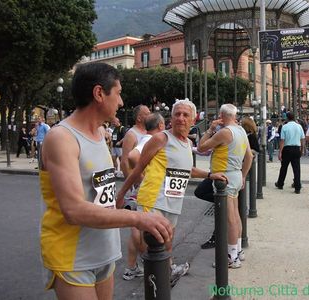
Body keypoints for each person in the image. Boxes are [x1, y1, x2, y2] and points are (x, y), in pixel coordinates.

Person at [39, 62, 172, 299]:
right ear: (99, 93)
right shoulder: (61, 138)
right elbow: (74, 210)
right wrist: (138, 217)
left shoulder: (101, 134)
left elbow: (102, 189)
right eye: (118, 93)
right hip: (73, 257)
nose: (121, 102)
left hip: (105, 253)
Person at [117, 99, 227, 279]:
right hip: (154, 197)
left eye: (185, 115)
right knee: (153, 242)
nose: (181, 118)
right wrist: (121, 194)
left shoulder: (185, 143)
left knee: (167, 243)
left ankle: (165, 274)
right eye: (177, 114)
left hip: (173, 200)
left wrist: (209, 175)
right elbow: (138, 166)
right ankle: (156, 279)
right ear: (171, 118)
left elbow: (187, 170)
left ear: (193, 120)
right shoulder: (161, 138)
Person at [198, 104, 253, 268]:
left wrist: (209, 129)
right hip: (236, 175)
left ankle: (231, 257)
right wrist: (243, 175)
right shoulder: (241, 131)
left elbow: (201, 147)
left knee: (230, 219)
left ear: (221, 115)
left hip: (224, 177)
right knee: (236, 216)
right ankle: (237, 250)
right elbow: (249, 156)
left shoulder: (224, 132)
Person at [122, 112, 166, 281]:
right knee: (139, 228)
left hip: (141, 188)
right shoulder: (150, 140)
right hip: (146, 189)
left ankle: (131, 267)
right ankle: (153, 266)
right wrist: (143, 177)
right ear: (160, 126)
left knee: (136, 226)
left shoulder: (145, 138)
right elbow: (132, 156)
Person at [275, 112, 305, 194]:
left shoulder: (284, 127)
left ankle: (280, 183)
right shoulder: (299, 127)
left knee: (284, 167)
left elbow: (282, 140)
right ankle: (297, 187)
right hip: (296, 148)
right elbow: (302, 139)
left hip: (287, 148)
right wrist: (302, 150)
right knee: (297, 169)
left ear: (287, 118)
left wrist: (280, 152)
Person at [120, 105, 150, 178]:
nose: (150, 116)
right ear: (139, 118)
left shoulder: (149, 132)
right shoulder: (131, 135)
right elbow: (124, 163)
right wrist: (132, 185)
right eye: (147, 114)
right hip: (138, 183)